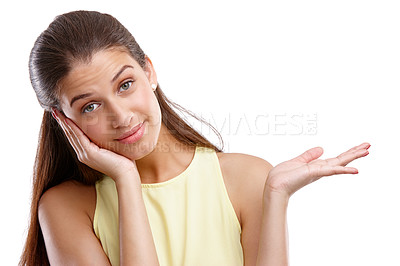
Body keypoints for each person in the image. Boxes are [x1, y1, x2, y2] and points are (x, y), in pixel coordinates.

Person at [20, 10, 370, 266]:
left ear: (149, 71)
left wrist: (276, 197)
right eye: (91, 106)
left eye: (125, 85)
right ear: (64, 121)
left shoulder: (247, 179)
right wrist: (126, 179)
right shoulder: (65, 207)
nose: (121, 117)